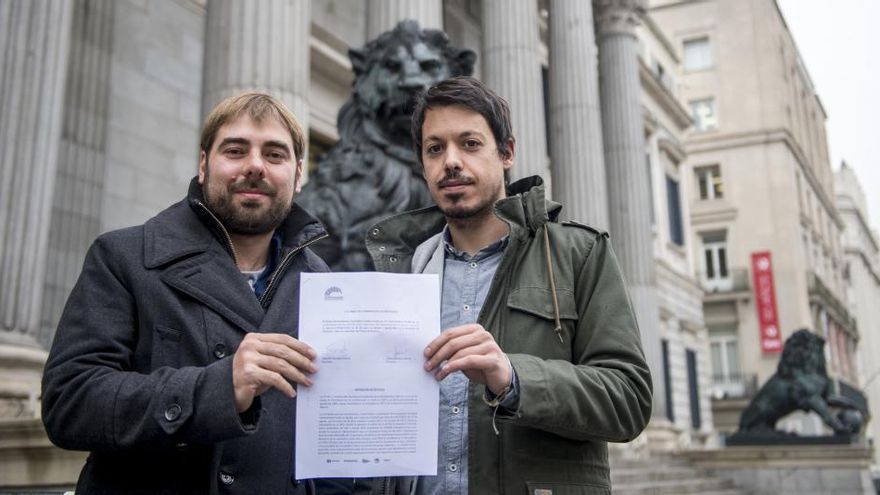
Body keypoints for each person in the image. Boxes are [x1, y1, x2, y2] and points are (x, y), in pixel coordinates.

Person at [365, 77, 653, 494]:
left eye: (469, 143)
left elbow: (629, 399)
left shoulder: (580, 253)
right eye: (435, 148)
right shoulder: (405, 268)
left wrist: (514, 377)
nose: (450, 161)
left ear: (507, 153)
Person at [42, 93, 327, 494]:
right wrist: (218, 388)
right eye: (235, 149)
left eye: (275, 155)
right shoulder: (123, 257)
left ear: (299, 174)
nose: (255, 167)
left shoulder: (324, 282)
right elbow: (69, 403)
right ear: (203, 163)